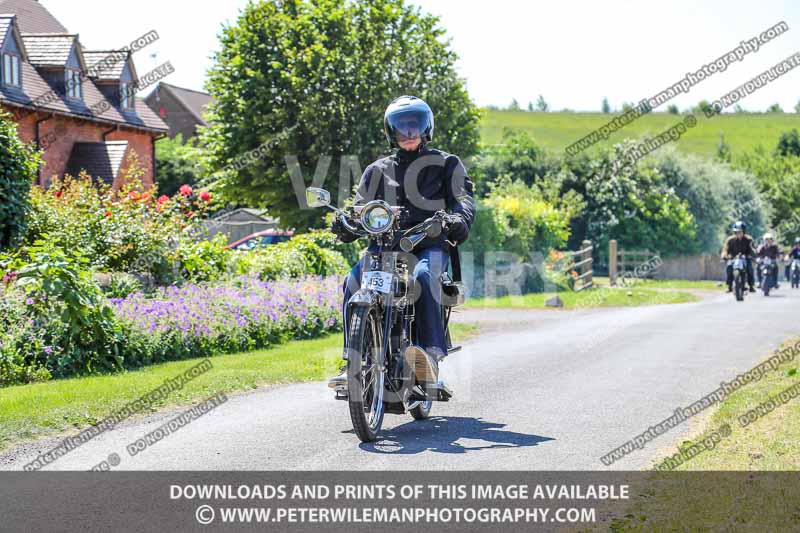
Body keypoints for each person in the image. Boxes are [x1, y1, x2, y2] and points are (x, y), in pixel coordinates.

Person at [328, 95, 475, 390]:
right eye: (401, 127)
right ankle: (351, 363)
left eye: (414, 126)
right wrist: (346, 223)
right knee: (353, 280)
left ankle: (429, 356)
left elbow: (463, 200)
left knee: (423, 276)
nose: (408, 133)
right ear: (391, 132)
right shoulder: (376, 170)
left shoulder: (447, 164)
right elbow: (360, 209)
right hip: (384, 247)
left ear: (425, 129)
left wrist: (458, 219)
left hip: (428, 245)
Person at [721, 221, 756, 293]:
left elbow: (752, 249)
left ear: (744, 231)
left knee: (750, 269)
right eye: (736, 232)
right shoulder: (730, 240)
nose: (738, 234)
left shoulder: (749, 239)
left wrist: (752, 255)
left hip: (745, 258)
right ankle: (729, 286)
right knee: (729, 267)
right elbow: (725, 249)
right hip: (733, 258)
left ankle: (751, 286)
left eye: (740, 232)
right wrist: (724, 255)